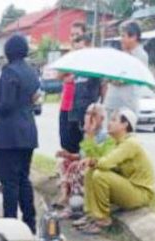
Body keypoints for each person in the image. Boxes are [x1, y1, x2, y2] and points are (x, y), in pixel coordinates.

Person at [0, 35, 40, 234]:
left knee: (10, 182)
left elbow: (6, 105)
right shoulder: (31, 71)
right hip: (29, 131)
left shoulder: (9, 72)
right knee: (24, 178)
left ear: (8, 52)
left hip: (10, 134)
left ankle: (10, 225)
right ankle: (30, 223)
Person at [76, 108, 155, 234]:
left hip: (140, 192)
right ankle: (92, 214)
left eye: (114, 120)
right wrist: (90, 135)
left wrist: (93, 161)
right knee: (91, 172)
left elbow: (105, 162)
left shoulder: (130, 143)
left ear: (125, 124)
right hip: (128, 187)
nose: (109, 123)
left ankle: (103, 219)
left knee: (100, 175)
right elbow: (96, 157)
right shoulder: (114, 142)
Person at [55, 103, 115, 215]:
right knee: (62, 162)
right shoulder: (87, 133)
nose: (89, 117)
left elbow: (95, 158)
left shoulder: (105, 137)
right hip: (83, 164)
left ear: (101, 119)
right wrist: (68, 155)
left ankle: (78, 202)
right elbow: (81, 154)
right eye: (87, 113)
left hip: (94, 168)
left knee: (80, 168)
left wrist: (90, 134)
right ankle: (65, 195)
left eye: (93, 114)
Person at [104, 22, 148, 115]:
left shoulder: (141, 56)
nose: (121, 40)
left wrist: (113, 79)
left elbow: (126, 79)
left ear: (134, 37)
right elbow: (108, 76)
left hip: (127, 105)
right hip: (112, 103)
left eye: (124, 36)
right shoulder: (120, 55)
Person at [59, 22, 89, 154]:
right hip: (66, 105)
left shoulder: (89, 56)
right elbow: (59, 74)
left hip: (80, 107)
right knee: (65, 141)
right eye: (72, 35)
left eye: (78, 35)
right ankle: (66, 170)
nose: (74, 38)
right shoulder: (68, 56)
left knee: (78, 144)